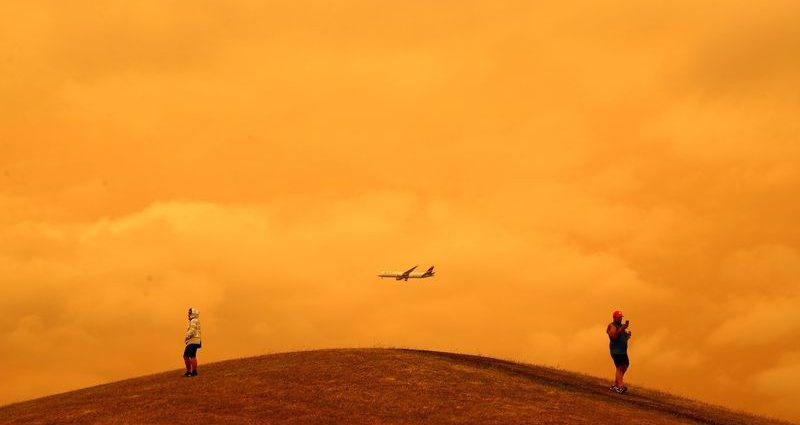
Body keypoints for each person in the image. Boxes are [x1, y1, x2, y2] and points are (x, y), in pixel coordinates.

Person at [606, 310, 631, 393]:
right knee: (620, 368)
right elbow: (613, 337)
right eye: (619, 317)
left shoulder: (621, 326)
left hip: (623, 351)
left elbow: (622, 338)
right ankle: (620, 386)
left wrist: (627, 336)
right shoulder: (612, 326)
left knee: (625, 365)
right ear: (614, 318)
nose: (620, 319)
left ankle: (616, 384)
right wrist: (622, 329)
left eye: (621, 317)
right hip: (616, 351)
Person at [183, 307, 202, 377]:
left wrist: (187, 337)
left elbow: (192, 330)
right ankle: (193, 372)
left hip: (193, 340)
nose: (188, 314)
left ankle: (189, 372)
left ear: (193, 314)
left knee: (186, 356)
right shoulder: (196, 320)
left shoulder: (193, 320)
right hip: (196, 340)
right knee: (192, 356)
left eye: (190, 313)